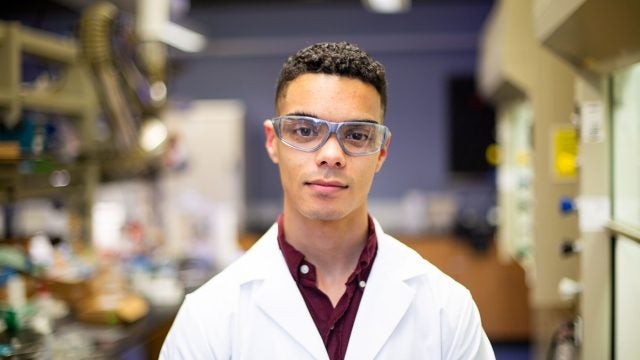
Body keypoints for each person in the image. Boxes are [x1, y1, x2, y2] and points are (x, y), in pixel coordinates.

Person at [160, 41, 495, 359]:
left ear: (381, 152)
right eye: (305, 131)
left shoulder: (447, 310)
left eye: (357, 135)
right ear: (272, 142)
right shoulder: (207, 320)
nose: (331, 155)